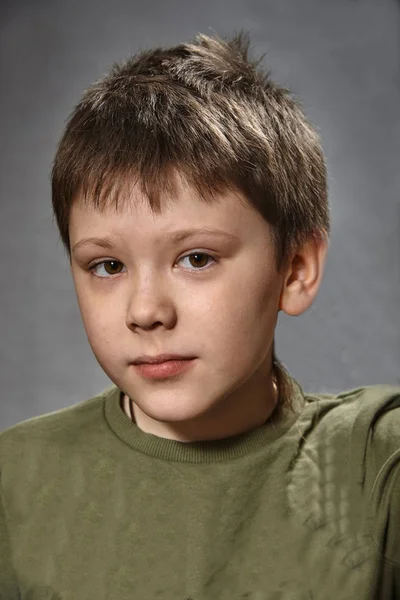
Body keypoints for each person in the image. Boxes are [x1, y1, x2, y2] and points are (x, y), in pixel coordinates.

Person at [0, 31, 399, 600]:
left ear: (296, 270)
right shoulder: (15, 479)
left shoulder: (376, 465)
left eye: (195, 258)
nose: (146, 311)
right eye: (108, 265)